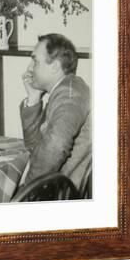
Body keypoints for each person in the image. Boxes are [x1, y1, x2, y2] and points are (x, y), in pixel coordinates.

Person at [20, 33, 91, 190]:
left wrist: (27, 190)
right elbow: (34, 147)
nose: (29, 69)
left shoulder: (70, 95)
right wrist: (33, 98)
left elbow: (56, 145)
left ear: (55, 67)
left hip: (62, 194)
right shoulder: (65, 89)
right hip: (57, 187)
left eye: (35, 61)